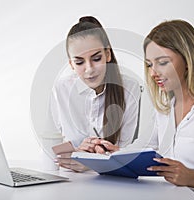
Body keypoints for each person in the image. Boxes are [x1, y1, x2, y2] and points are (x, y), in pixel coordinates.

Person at [93, 19, 194, 199]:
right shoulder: (164, 111)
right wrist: (114, 154)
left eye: (162, 62)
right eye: (149, 65)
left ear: (188, 60)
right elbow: (147, 148)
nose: (153, 73)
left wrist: (192, 177)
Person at [50, 16, 141, 171]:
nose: (89, 69)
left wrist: (89, 161)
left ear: (108, 54)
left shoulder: (129, 88)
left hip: (113, 180)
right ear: (71, 64)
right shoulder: (61, 89)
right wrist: (76, 153)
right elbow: (51, 150)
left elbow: (123, 150)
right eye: (79, 62)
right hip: (70, 180)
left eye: (96, 58)